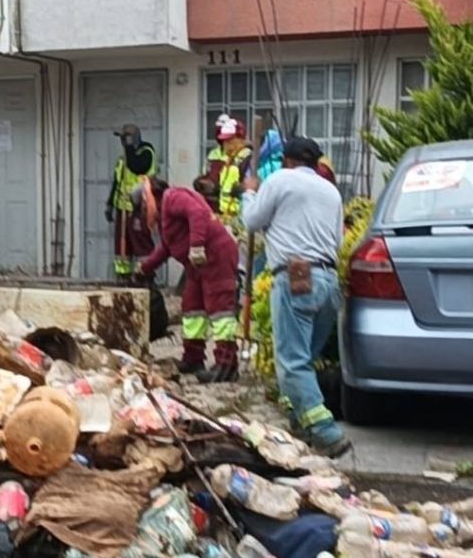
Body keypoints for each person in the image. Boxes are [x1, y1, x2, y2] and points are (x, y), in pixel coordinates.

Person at [240, 136, 351, 457]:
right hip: (328, 281)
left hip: (295, 278)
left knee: (292, 363)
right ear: (316, 163)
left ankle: (326, 432)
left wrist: (249, 192)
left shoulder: (279, 181)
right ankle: (299, 420)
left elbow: (251, 221)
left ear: (287, 160)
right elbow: (338, 242)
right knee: (304, 358)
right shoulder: (331, 191)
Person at [136, 178, 240, 382]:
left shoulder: (173, 197)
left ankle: (227, 364)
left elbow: (197, 212)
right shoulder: (166, 219)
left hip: (216, 255)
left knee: (220, 311)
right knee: (192, 310)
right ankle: (193, 358)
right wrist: (144, 268)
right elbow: (166, 248)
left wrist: (197, 245)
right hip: (197, 264)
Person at [106, 124, 157, 277]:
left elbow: (137, 167)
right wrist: (110, 205)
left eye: (126, 138)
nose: (123, 142)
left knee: (141, 243)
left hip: (140, 208)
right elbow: (117, 182)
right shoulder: (123, 159)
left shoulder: (147, 152)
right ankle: (124, 275)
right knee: (123, 246)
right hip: (122, 208)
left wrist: (129, 148)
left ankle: (146, 274)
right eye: (122, 139)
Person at [204, 117, 253, 221]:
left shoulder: (247, 158)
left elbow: (252, 185)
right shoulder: (229, 158)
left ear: (239, 139)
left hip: (241, 215)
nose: (225, 144)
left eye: (229, 140)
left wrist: (241, 189)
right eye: (224, 140)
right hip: (226, 214)